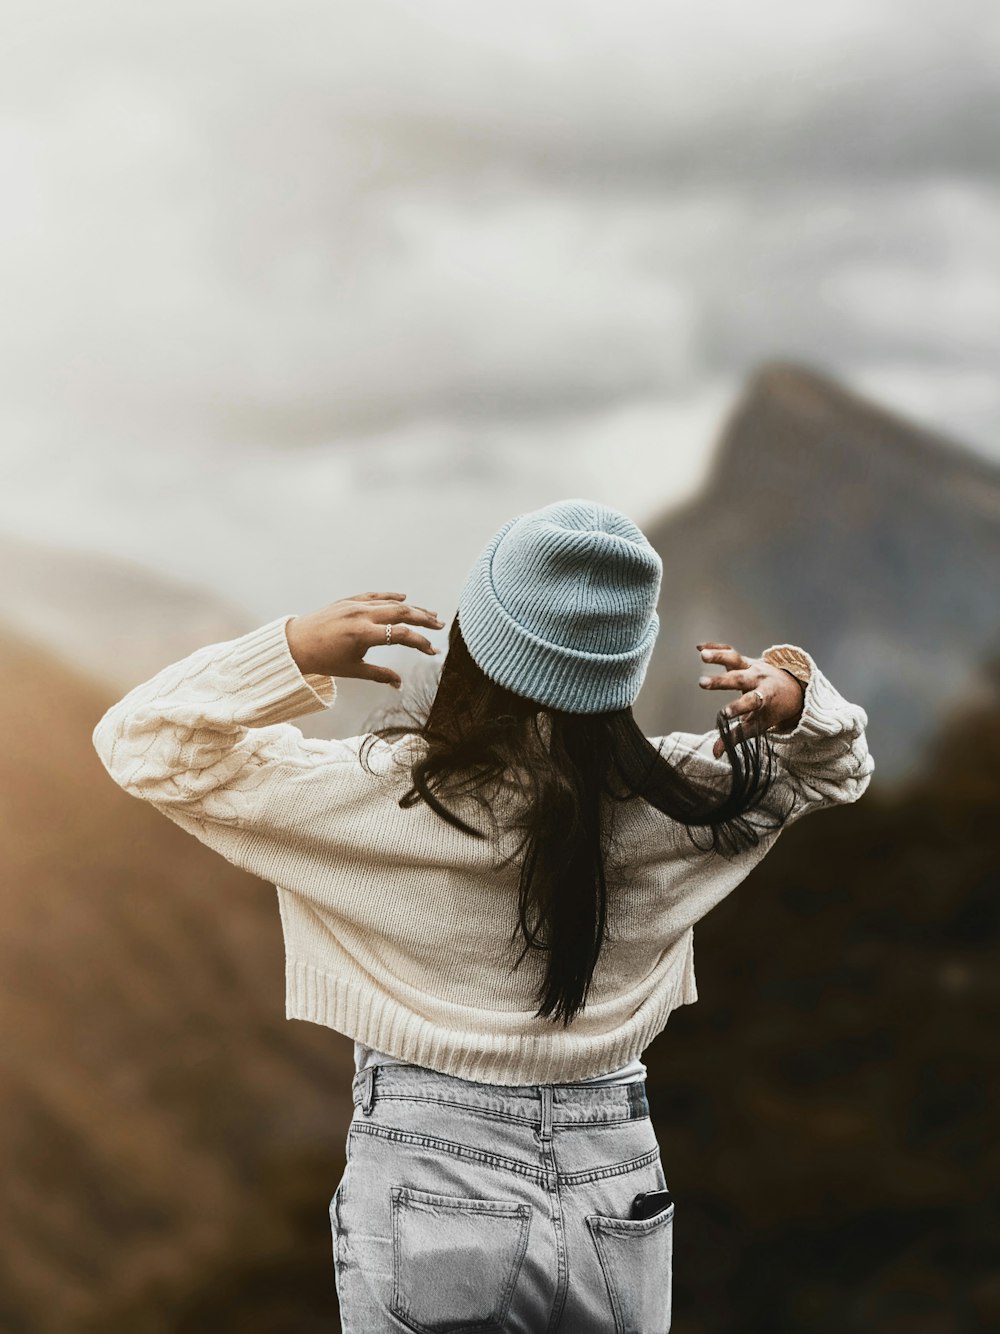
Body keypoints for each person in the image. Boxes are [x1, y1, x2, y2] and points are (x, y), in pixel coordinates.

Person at [92, 498, 874, 1333]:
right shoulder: (689, 805)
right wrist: (795, 698)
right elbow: (834, 771)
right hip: (619, 1188)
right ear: (624, 668)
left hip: (435, 1173)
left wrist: (288, 651)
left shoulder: (375, 795)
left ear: (475, 646)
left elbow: (142, 741)